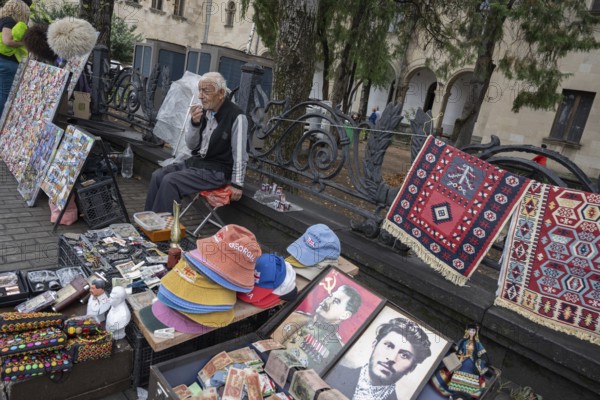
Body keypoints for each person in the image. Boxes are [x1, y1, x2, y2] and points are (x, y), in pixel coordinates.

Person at [144, 72, 248, 212]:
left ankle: (162, 230)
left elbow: (240, 154)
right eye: (199, 90)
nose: (200, 96)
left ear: (221, 93)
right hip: (197, 164)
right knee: (158, 176)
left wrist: (238, 184)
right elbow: (192, 145)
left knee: (170, 182)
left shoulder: (237, 116)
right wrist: (194, 123)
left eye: (205, 91)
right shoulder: (204, 111)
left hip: (216, 171)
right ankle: (148, 223)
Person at [328, 317, 432, 400]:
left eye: (404, 355)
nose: (391, 358)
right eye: (389, 346)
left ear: (412, 368)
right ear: (374, 345)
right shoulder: (332, 372)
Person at [275, 284, 362, 371]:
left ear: (345, 315)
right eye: (330, 296)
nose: (327, 301)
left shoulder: (335, 347)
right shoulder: (296, 316)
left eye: (335, 301)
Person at [430, 323, 489, 399]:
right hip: (462, 359)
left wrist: (487, 360)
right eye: (470, 330)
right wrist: (459, 354)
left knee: (470, 376)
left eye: (473, 331)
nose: (472, 332)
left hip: (471, 362)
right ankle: (454, 393)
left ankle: (464, 393)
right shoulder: (464, 340)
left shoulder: (477, 343)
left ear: (476, 332)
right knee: (455, 374)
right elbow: (458, 348)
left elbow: (482, 352)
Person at [0, 0, 29, 117]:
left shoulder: (2, 20)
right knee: (4, 95)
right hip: (6, 63)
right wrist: (24, 43)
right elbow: (7, 41)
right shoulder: (9, 21)